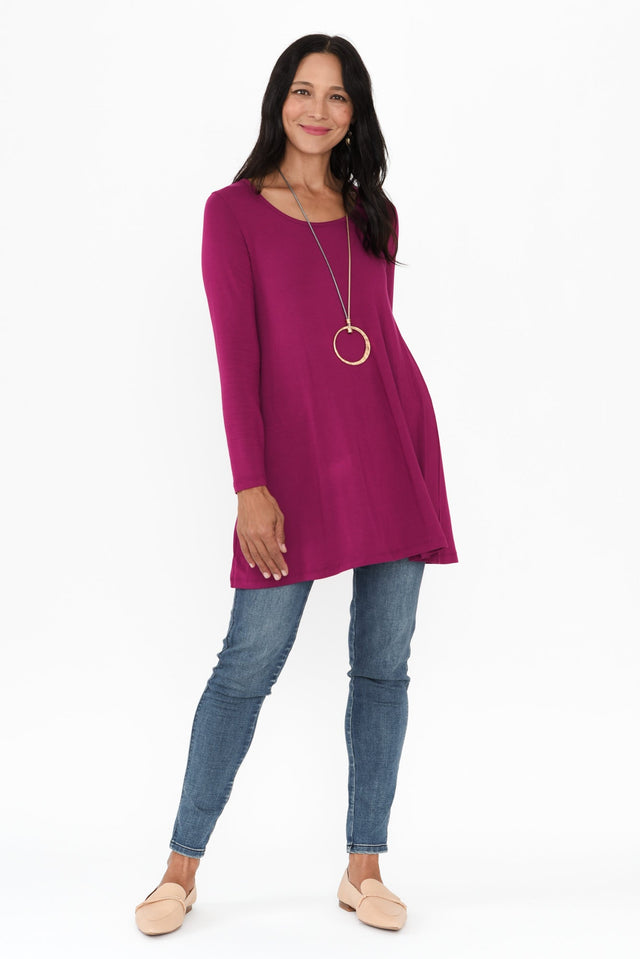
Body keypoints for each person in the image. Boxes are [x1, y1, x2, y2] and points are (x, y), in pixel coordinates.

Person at [134, 33, 458, 937]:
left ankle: (365, 867)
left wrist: (408, 451)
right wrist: (251, 484)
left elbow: (374, 341)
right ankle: (178, 870)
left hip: (392, 451)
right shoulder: (231, 212)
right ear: (280, 100)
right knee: (247, 664)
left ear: (356, 115)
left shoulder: (374, 215)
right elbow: (237, 361)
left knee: (383, 666)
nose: (319, 110)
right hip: (290, 474)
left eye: (339, 96)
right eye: (304, 91)